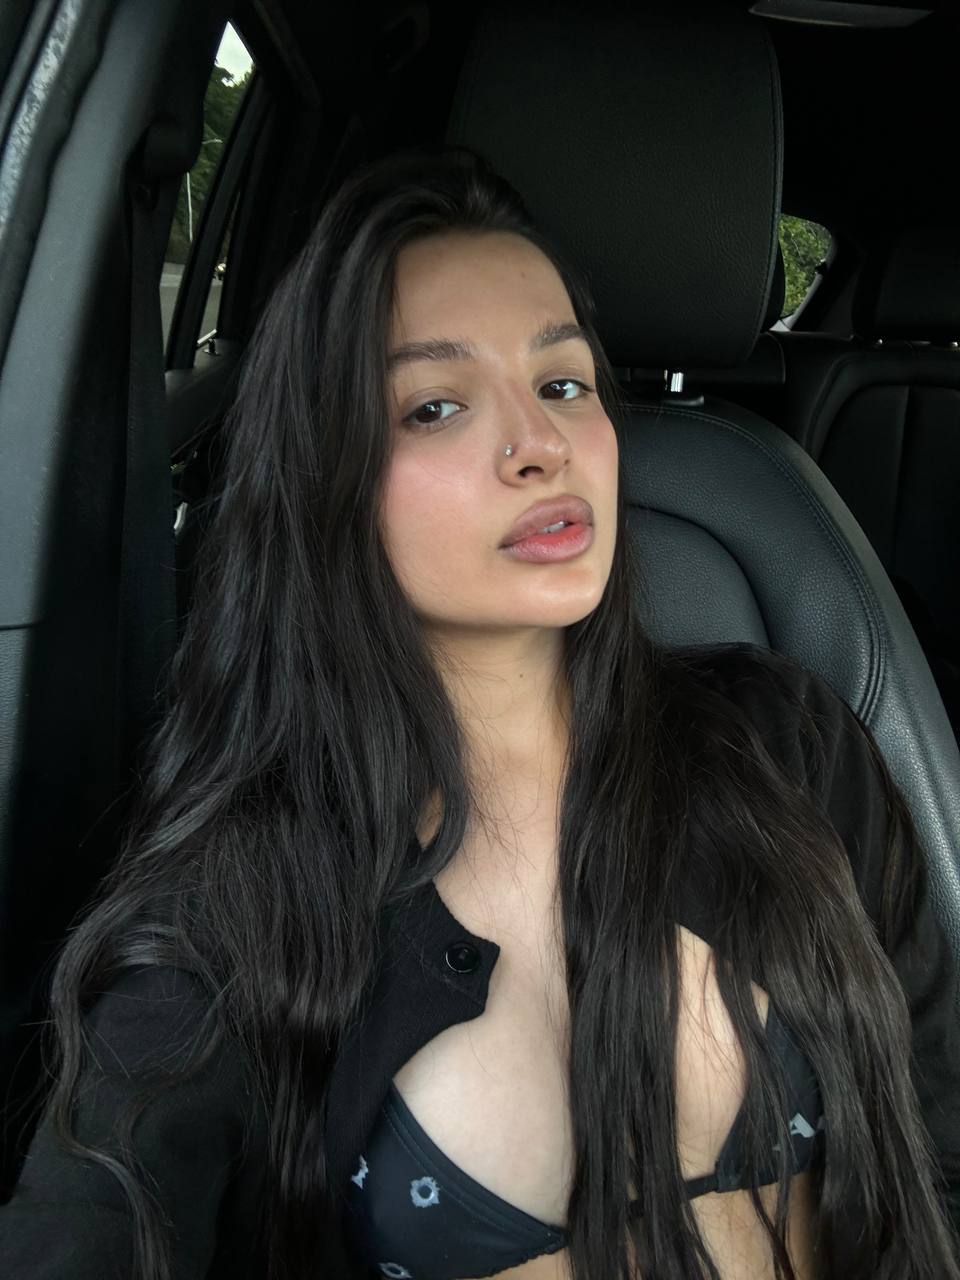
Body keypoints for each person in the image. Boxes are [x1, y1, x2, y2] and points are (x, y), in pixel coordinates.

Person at [1, 146, 959, 1280]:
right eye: (437, 405)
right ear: (323, 479)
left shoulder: (788, 743)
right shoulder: (241, 907)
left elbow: (942, 1141)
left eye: (564, 384)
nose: (540, 445)